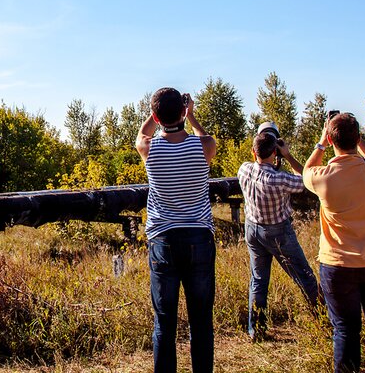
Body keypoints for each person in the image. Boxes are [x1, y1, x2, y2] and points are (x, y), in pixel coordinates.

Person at [303, 112, 365, 373]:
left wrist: (321, 143)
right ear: (357, 138)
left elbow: (307, 168)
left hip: (338, 266)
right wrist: (359, 140)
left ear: (330, 138)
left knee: (345, 330)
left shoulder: (322, 177)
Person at [135, 88, 217, 373]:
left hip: (163, 240)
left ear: (157, 117)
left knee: (165, 323)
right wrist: (192, 115)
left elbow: (141, 135)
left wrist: (155, 114)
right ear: (183, 112)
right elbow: (205, 137)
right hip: (199, 237)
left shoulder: (150, 149)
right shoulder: (203, 146)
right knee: (201, 321)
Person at [237, 122, 320, 342]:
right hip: (279, 233)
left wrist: (273, 154)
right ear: (275, 151)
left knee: (258, 280)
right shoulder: (280, 179)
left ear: (253, 151)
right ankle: (325, 321)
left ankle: (256, 330)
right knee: (304, 276)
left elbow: (256, 162)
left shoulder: (243, 169)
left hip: (253, 229)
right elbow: (308, 179)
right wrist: (288, 156)